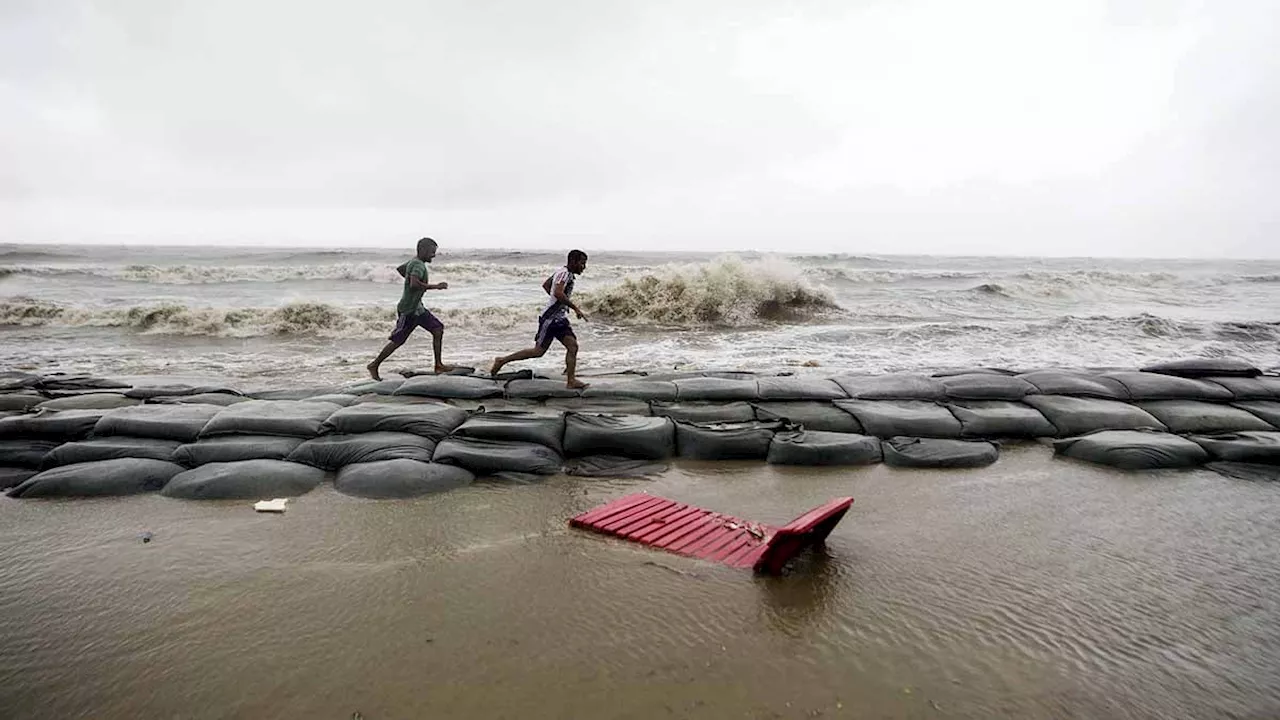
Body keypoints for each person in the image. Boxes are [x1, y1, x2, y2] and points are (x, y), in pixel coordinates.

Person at [490, 250, 590, 389]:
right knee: (538, 352)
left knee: (572, 346)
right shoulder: (564, 274)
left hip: (560, 319)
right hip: (550, 319)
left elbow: (546, 285)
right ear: (573, 261)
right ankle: (502, 361)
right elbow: (558, 292)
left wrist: (557, 302)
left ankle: (571, 380)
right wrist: (574, 307)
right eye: (582, 263)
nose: (584, 266)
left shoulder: (563, 272)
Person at [367, 237, 453, 380]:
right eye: (432, 252)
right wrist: (436, 286)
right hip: (409, 310)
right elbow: (414, 284)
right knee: (398, 340)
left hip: (418, 308)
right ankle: (374, 365)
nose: (434, 255)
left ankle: (438, 365)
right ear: (423, 250)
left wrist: (408, 277)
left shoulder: (413, 262)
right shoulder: (418, 265)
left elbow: (401, 269)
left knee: (437, 329)